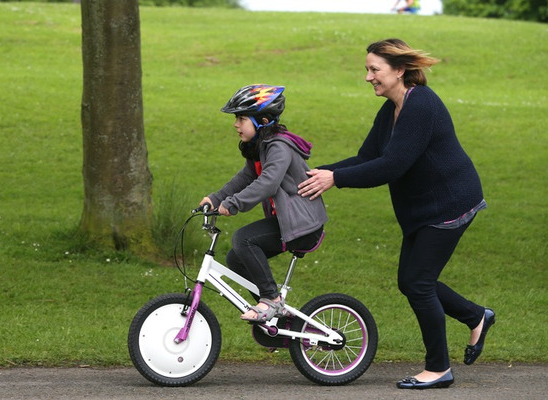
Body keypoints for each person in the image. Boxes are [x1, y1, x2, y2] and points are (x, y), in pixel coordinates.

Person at [297, 39, 495, 389]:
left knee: (418, 283)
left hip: (450, 204)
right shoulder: (390, 110)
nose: (368, 76)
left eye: (374, 69)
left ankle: (439, 369)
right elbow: (366, 159)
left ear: (399, 70)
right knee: (412, 281)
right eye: (367, 69)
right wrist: (317, 174)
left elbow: (392, 166)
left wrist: (335, 179)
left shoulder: (421, 105)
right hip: (423, 209)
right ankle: (476, 316)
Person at [201, 84, 328, 322]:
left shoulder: (279, 146)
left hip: (304, 226)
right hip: (288, 222)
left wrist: (234, 203)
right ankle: (276, 321)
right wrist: (215, 198)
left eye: (241, 118)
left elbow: (268, 183)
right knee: (236, 259)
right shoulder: (262, 147)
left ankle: (271, 300)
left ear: (263, 120)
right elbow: (247, 176)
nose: (235, 124)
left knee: (243, 239)